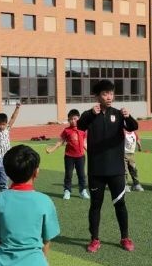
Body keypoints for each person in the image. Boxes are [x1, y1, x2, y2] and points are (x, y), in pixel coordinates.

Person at [77, 79, 138, 253]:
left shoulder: (118, 114)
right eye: (105, 93)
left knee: (120, 204)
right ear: (97, 96)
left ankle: (125, 237)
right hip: (96, 170)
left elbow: (134, 126)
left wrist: (128, 116)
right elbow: (80, 126)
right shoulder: (90, 115)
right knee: (95, 206)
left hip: (116, 170)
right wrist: (90, 114)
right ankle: (94, 239)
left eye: (111, 93)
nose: (109, 96)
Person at [45, 109, 90, 200]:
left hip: (81, 156)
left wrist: (92, 153)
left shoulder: (83, 130)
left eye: (75, 118)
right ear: (68, 120)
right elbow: (60, 142)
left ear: (79, 118)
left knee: (81, 175)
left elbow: (85, 143)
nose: (73, 121)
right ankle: (67, 191)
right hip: (69, 156)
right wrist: (51, 149)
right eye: (70, 119)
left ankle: (82, 191)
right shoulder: (66, 131)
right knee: (68, 174)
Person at [123, 128, 144, 192]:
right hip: (123, 154)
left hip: (131, 154)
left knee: (133, 169)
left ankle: (136, 184)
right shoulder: (123, 132)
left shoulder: (134, 133)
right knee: (125, 170)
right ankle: (125, 185)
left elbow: (137, 139)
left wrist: (139, 146)